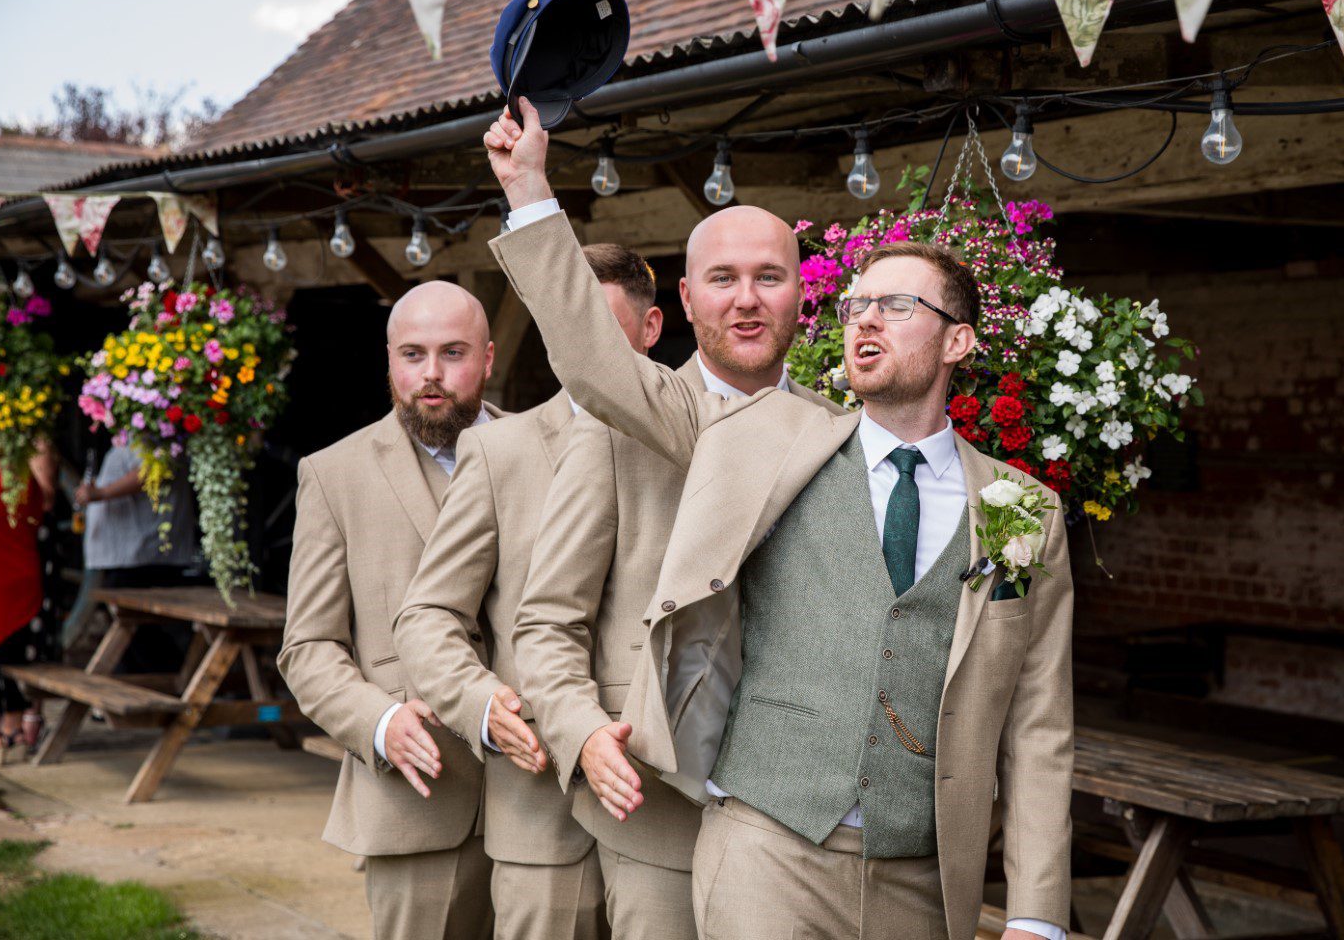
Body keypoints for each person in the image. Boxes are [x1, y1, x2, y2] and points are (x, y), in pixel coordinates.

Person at [484, 99, 1074, 940]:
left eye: (898, 306)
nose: (867, 318)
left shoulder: (1023, 511)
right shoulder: (766, 439)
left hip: (920, 871)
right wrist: (530, 192)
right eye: (858, 304)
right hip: (763, 841)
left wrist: (1038, 915)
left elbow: (1039, 726)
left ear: (959, 343)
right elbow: (598, 366)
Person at [511, 228, 839, 939]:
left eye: (768, 277)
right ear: (687, 299)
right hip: (657, 815)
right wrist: (582, 731)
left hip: (802, 826)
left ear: (801, 294)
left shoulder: (838, 435)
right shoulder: (611, 429)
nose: (747, 300)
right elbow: (547, 620)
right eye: (723, 279)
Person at [393, 244, 679, 940]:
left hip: (666, 801)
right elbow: (428, 615)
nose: (581, 347)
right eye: (564, 326)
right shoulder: (500, 452)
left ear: (651, 329)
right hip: (538, 810)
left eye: (599, 328)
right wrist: (481, 703)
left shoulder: (700, 438)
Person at [279, 281, 497, 940]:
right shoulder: (333, 475)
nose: (431, 374)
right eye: (412, 354)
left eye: (453, 353)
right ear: (389, 362)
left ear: (487, 358)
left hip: (548, 803)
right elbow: (309, 647)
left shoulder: (547, 451)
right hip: (418, 800)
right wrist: (379, 722)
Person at [76, 442, 201, 671]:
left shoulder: (160, 433)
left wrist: (102, 492)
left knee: (137, 630)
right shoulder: (135, 433)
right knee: (130, 631)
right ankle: (159, 680)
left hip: (143, 551)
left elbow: (153, 469)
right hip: (126, 552)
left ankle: (172, 678)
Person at [0, 441, 56, 764]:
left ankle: (9, 725)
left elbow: (45, 501)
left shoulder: (26, 463)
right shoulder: (23, 469)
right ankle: (4, 727)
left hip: (11, 570)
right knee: (3, 652)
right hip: (9, 568)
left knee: (10, 650)